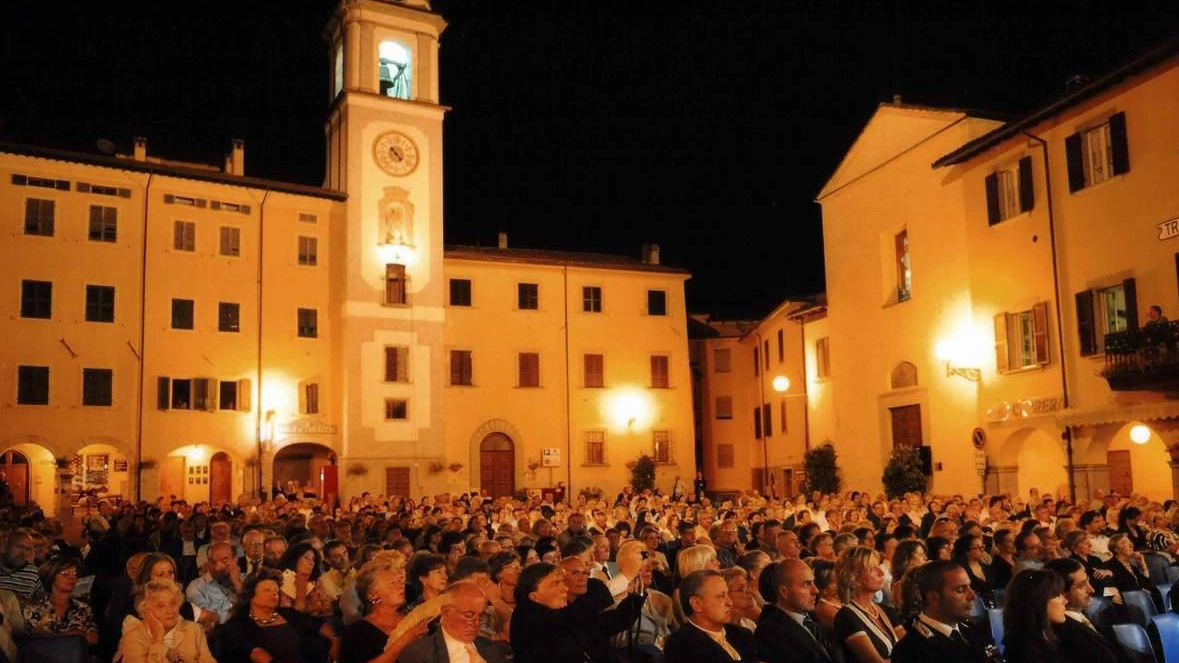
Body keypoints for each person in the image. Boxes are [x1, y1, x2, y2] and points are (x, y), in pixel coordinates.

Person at [509, 560, 645, 663]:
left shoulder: (566, 614)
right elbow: (571, 618)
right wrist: (622, 577)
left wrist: (635, 597)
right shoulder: (526, 616)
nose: (565, 589)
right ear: (534, 596)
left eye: (562, 582)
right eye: (556, 583)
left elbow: (608, 624)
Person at [212, 568, 320, 663]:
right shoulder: (238, 623)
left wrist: (335, 639)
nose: (274, 594)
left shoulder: (288, 614)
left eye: (276, 591)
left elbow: (317, 625)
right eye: (267, 590)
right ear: (251, 595)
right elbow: (256, 653)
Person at [891, 561, 987, 663]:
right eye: (960, 590)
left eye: (970, 586)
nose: (972, 596)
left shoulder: (972, 631)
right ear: (933, 597)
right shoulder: (909, 652)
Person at [755, 559, 844, 663]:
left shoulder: (813, 621)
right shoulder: (770, 631)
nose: (815, 590)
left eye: (813, 582)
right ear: (784, 591)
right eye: (806, 584)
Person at [398, 581, 510, 663]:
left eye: (480, 616)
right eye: (469, 615)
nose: (476, 623)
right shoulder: (418, 654)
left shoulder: (491, 648)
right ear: (447, 612)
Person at [663, 569, 757, 663]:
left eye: (727, 594)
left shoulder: (742, 634)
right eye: (721, 596)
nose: (730, 602)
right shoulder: (681, 644)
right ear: (696, 604)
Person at [337, 567, 427, 663]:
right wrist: (403, 642)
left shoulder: (413, 619)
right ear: (373, 595)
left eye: (400, 581)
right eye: (392, 583)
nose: (401, 586)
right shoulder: (355, 633)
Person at [1043, 558, 1122, 663]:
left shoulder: (1080, 616)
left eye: (1088, 581)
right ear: (1061, 593)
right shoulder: (1066, 634)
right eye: (1081, 585)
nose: (1091, 590)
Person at [117, 579, 216, 663]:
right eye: (160, 606)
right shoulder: (134, 635)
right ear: (145, 610)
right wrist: (158, 640)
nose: (169, 611)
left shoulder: (193, 629)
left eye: (173, 603)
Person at [834, 547, 899, 663]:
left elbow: (913, 650)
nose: (881, 572)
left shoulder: (886, 610)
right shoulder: (847, 616)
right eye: (871, 568)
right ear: (854, 577)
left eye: (879, 565)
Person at [22, 556, 99, 644]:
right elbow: (32, 638)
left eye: (74, 574)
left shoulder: (83, 607)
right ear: (50, 575)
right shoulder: (35, 607)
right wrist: (72, 635)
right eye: (65, 573)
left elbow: (94, 638)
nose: (72, 577)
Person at [1001, 569, 1068, 663]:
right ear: (1038, 601)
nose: (1065, 601)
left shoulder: (1046, 635)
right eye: (1057, 595)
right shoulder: (1023, 648)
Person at [187, 540, 241, 624]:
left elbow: (254, 608)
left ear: (235, 560)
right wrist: (239, 613)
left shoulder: (246, 580)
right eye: (212, 561)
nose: (217, 567)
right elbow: (209, 617)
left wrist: (237, 582)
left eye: (224, 561)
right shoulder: (196, 587)